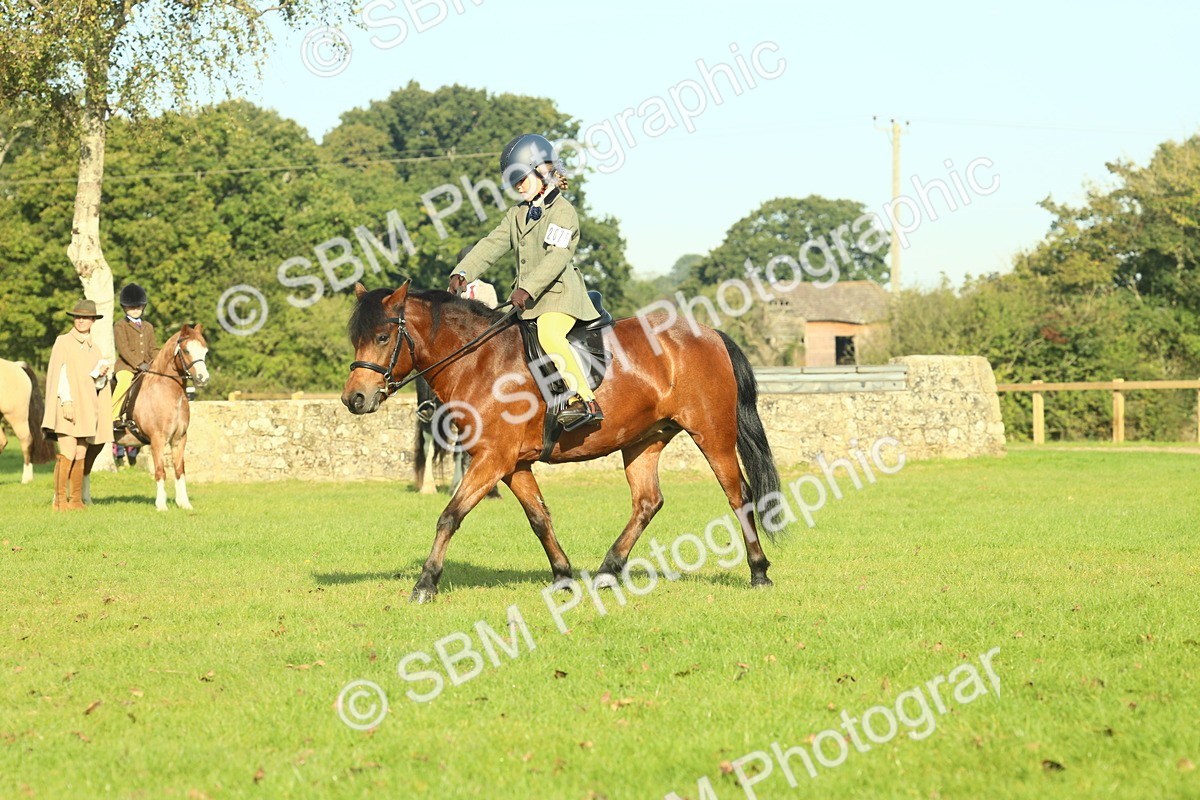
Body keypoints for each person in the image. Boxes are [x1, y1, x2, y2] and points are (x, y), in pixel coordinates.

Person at [447, 133, 603, 430]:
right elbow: (491, 244)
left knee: (549, 334)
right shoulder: (516, 215)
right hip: (526, 302)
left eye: (521, 178)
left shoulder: (563, 211)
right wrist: (463, 272)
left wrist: (527, 288)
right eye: (513, 181)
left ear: (543, 171)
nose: (518, 186)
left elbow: (557, 257)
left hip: (559, 298)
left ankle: (584, 400)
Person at [41, 299, 114, 510]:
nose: (81, 321)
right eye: (78, 317)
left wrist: (101, 376)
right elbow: (60, 374)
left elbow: (96, 384)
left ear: (93, 320)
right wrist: (66, 402)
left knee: (81, 453)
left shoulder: (95, 349)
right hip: (69, 405)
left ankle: (75, 500)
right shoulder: (63, 342)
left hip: (88, 406)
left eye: (85, 317)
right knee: (68, 452)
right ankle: (59, 501)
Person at [111, 283, 157, 466]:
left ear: (143, 307)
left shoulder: (148, 327)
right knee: (124, 382)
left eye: (138, 306)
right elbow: (124, 349)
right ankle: (113, 417)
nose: (135, 310)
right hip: (127, 367)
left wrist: (157, 363)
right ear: (124, 308)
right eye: (131, 307)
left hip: (147, 367)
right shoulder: (120, 325)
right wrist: (139, 364)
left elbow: (153, 348)